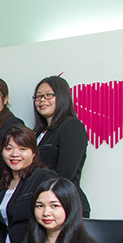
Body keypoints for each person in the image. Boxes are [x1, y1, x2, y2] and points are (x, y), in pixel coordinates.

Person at [32, 76, 90, 216]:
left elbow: (65, 173)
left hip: (65, 205)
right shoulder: (38, 133)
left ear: (62, 96)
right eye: (38, 96)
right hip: (43, 204)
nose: (42, 100)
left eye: (48, 95)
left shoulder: (71, 126)